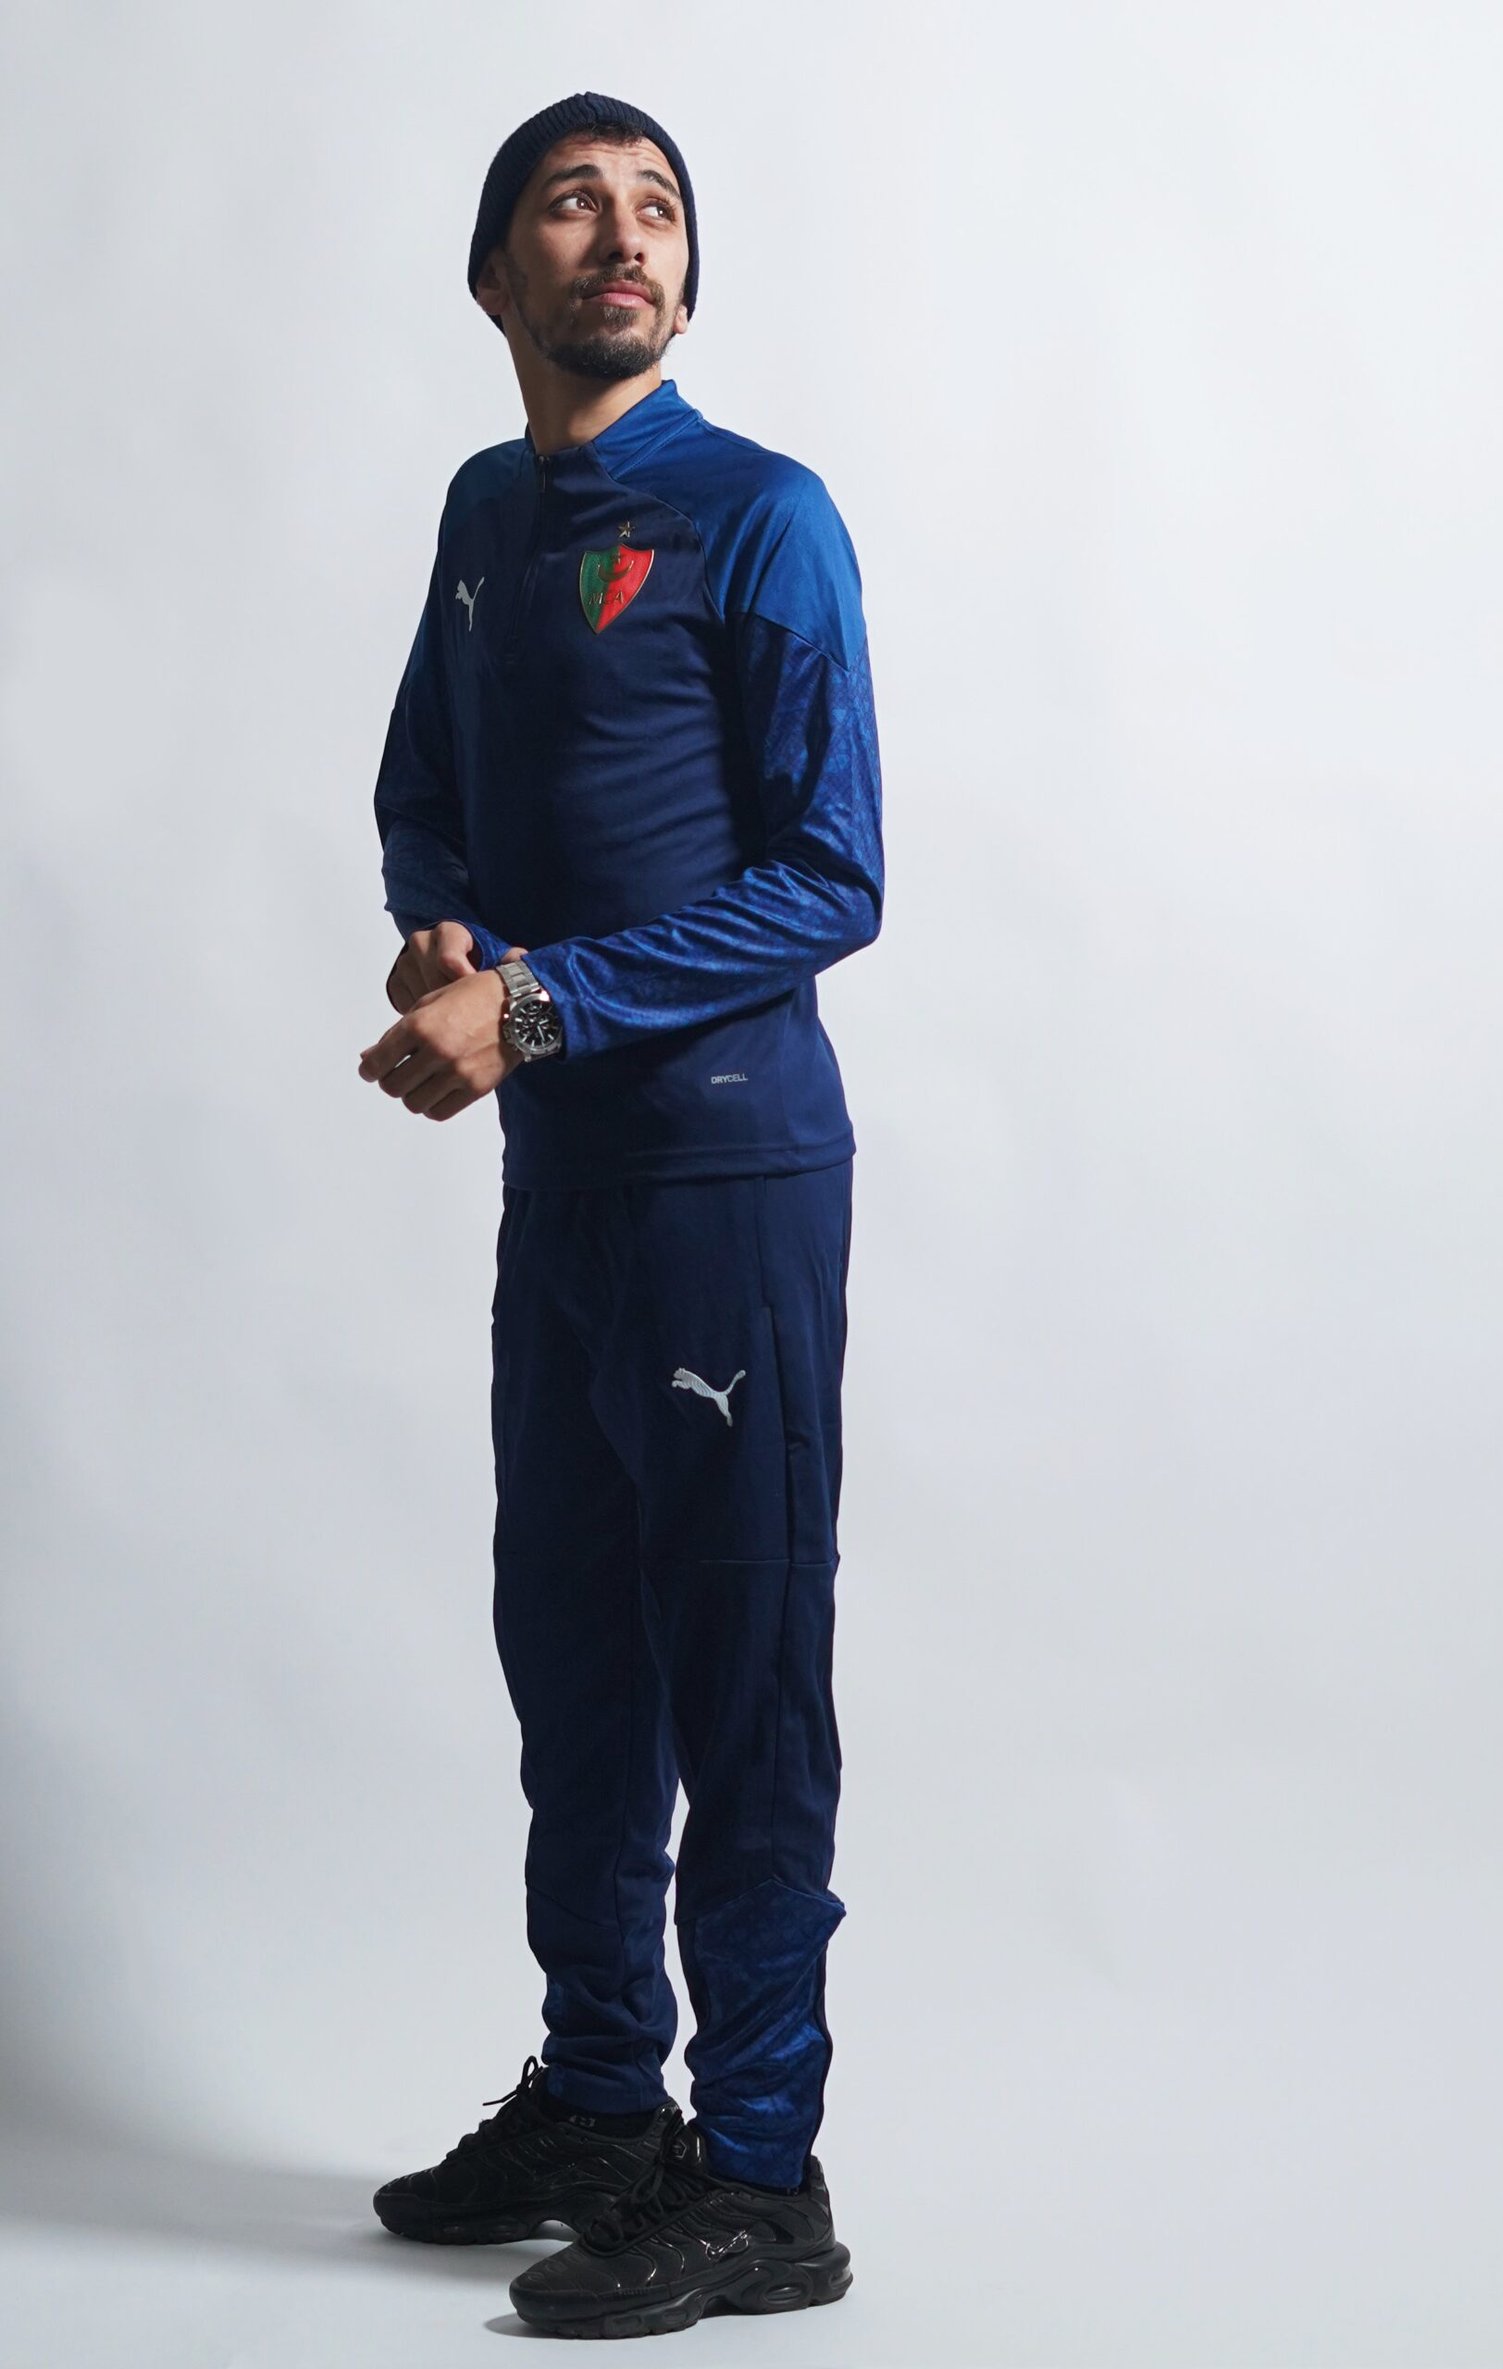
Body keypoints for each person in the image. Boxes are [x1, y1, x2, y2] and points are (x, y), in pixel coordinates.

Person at [355, 91, 884, 2341]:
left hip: (726, 1175)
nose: (621, 236)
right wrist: (445, 936)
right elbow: (427, 790)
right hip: (561, 1180)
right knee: (571, 1651)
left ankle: (758, 2173)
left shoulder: (761, 514)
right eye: (572, 204)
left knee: (735, 1665)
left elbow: (832, 875)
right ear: (496, 274)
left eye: (655, 206)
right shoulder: (489, 514)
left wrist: (545, 1003)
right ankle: (596, 2100)